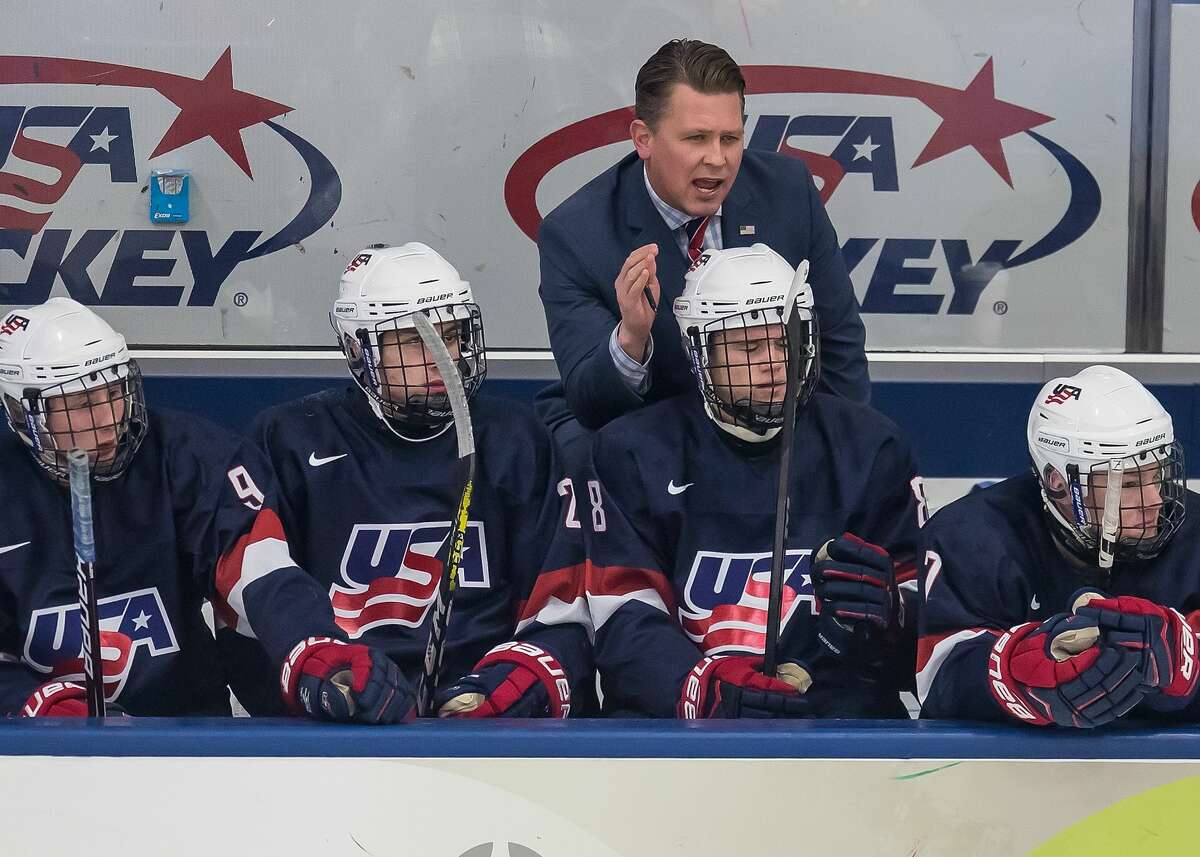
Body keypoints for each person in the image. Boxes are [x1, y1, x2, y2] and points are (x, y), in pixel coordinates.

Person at [522, 244, 920, 717]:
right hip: (683, 735)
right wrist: (703, 692)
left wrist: (893, 615)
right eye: (748, 346)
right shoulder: (632, 452)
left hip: (838, 731)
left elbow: (927, 629)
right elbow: (622, 619)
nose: (774, 362)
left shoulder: (871, 446)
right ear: (699, 352)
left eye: (785, 340)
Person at [0, 298, 408, 722]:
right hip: (37, 756)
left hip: (186, 737)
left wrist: (312, 646)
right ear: (21, 412)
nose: (109, 419)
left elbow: (258, 567)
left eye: (114, 392)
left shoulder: (187, 455)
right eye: (81, 404)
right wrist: (31, 703)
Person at [230, 243, 592, 719]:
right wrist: (322, 673)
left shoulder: (515, 439)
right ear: (359, 348)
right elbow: (257, 592)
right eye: (414, 340)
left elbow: (563, 598)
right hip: (341, 722)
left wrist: (513, 681)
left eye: (452, 334)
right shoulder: (289, 440)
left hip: (482, 720)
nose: (444, 358)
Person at [536, 38, 869, 464]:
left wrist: (840, 462)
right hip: (655, 436)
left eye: (730, 138)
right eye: (696, 138)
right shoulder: (576, 234)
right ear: (643, 139)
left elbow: (839, 343)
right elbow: (590, 402)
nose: (718, 159)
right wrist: (632, 339)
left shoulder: (787, 191)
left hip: (773, 429)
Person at [917, 366, 1200, 728]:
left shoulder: (1194, 530)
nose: (1155, 500)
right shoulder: (973, 537)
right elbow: (940, 676)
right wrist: (1017, 672)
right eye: (1127, 482)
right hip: (1003, 779)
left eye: (1157, 474)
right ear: (1058, 482)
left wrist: (1186, 660)